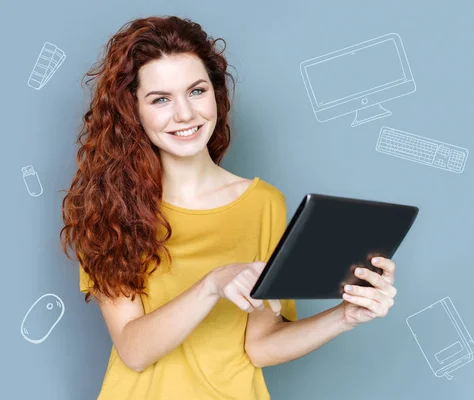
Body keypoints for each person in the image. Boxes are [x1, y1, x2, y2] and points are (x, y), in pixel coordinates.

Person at [59, 15, 398, 400]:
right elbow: (134, 351)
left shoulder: (264, 204)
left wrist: (345, 316)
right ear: (132, 109)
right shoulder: (109, 209)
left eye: (197, 91)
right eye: (161, 99)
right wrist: (212, 284)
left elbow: (260, 344)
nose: (185, 114)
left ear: (216, 95)